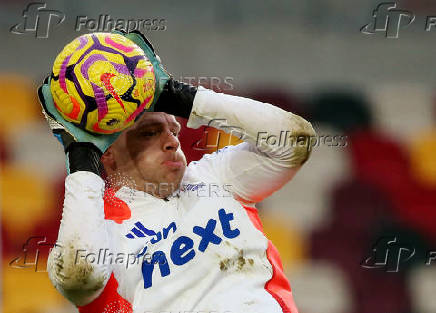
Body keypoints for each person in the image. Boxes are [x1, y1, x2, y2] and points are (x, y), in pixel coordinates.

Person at [40, 30, 316, 313]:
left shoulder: (214, 178)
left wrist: (180, 97)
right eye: (149, 133)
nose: (172, 141)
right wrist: (82, 156)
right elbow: (79, 277)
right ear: (108, 153)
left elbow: (295, 141)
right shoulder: (100, 226)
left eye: (174, 130)